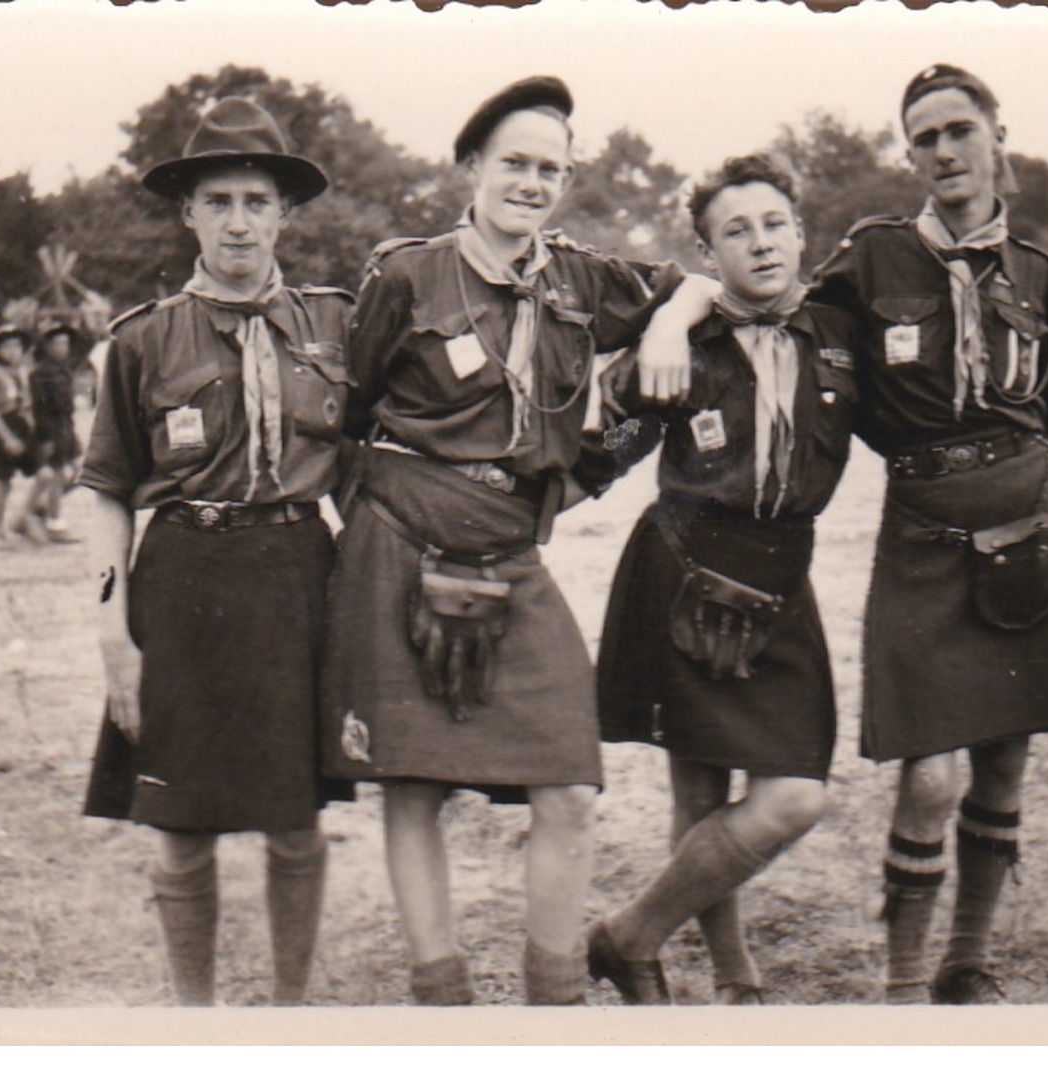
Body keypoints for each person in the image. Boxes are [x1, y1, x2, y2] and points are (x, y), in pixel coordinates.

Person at [319, 75, 711, 1006]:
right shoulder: (405, 274)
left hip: (510, 547)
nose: (531, 182)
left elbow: (694, 283)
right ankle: (441, 1000)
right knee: (411, 787)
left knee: (568, 787)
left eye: (550, 169)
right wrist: (382, 516)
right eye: (514, 163)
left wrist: (669, 325)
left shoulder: (579, 277)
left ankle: (555, 1001)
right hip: (397, 540)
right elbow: (339, 411)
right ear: (471, 168)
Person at [810, 64, 1048, 1004]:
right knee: (927, 772)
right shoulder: (870, 256)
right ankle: (904, 986)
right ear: (909, 153)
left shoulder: (1037, 272)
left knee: (1003, 755)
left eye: (959, 129)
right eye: (924, 137)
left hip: (1033, 524)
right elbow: (781, 323)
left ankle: (968, 963)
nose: (943, 151)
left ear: (998, 135)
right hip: (924, 531)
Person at [79, 97, 354, 1007]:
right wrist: (112, 629)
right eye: (219, 200)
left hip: (297, 579)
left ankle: (288, 1014)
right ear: (187, 213)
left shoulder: (334, 327)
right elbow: (104, 488)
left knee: (296, 823)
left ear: (284, 213)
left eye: (257, 200)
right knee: (179, 825)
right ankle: (192, 1018)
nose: (239, 220)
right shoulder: (142, 338)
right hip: (184, 579)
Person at [589, 153, 862, 1005]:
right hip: (684, 566)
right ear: (708, 254)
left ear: (801, 232)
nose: (759, 243)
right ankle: (737, 982)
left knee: (792, 795)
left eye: (774, 223)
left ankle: (628, 934)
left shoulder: (840, 337)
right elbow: (595, 431)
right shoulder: (684, 339)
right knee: (700, 786)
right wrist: (667, 319)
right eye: (733, 231)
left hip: (782, 576)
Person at [0, 323, 40, 550]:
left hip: (23, 426)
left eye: (16, 346)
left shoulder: (23, 373)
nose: (13, 351)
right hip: (4, 429)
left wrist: (34, 427)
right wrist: (7, 439)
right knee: (4, 483)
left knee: (44, 473)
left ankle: (25, 518)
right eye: (6, 347)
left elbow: (26, 405)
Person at [21, 320, 83, 544]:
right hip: (51, 430)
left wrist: (73, 436)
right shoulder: (39, 375)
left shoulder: (65, 371)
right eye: (57, 343)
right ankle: (53, 522)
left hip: (67, 428)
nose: (63, 348)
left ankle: (40, 508)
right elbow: (40, 410)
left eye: (65, 343)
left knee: (82, 474)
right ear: (46, 346)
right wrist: (46, 439)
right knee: (56, 477)